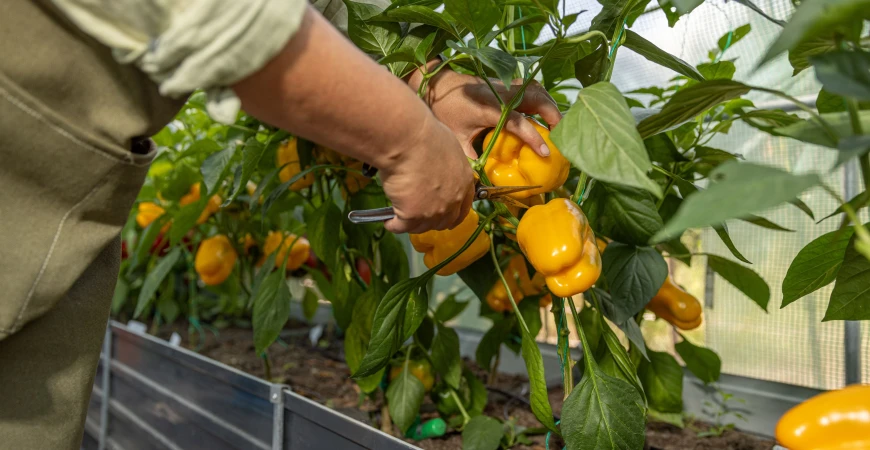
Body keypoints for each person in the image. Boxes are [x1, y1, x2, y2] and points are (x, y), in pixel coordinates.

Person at [0, 1, 561, 448]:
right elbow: (223, 15)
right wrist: (407, 136)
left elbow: (327, 8)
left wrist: (427, 82)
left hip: (64, 198)